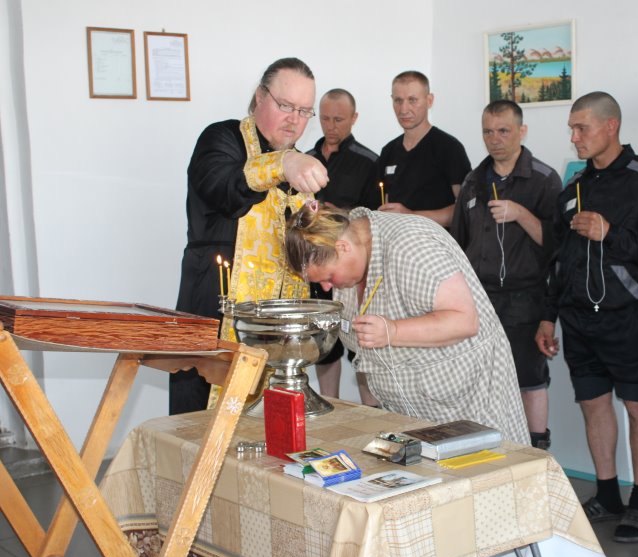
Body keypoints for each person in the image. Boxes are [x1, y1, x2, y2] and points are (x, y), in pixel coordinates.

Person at [285, 204, 530, 557]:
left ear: (343, 247)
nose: (328, 287)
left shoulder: (411, 244)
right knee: (441, 502)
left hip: (467, 395)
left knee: (473, 500)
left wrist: (392, 330)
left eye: (327, 278)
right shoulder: (353, 259)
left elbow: (464, 320)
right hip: (414, 405)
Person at [535, 92, 638, 542]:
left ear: (610, 126)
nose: (574, 137)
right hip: (578, 319)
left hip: (626, 317)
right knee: (594, 405)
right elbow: (558, 260)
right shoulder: (573, 187)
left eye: (582, 128)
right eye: (572, 129)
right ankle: (608, 494)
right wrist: (548, 316)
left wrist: (610, 233)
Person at [171, 57, 328, 415]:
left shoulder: (298, 163)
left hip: (277, 328)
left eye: (305, 111)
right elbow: (222, 187)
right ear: (260, 96)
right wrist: (280, 164)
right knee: (199, 426)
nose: (294, 120)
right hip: (217, 310)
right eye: (285, 105)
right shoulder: (222, 137)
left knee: (273, 429)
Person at [451, 99, 561, 449]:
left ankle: (537, 453)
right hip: (479, 299)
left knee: (529, 381)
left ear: (521, 131)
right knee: (479, 382)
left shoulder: (543, 179)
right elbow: (459, 243)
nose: (494, 139)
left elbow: (558, 246)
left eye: (503, 131)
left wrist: (521, 214)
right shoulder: (473, 181)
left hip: (525, 298)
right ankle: (488, 455)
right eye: (487, 132)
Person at [306, 88, 380, 402]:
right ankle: (329, 403)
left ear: (354, 118)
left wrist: (339, 216)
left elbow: (375, 220)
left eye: (338, 119)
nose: (331, 126)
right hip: (318, 268)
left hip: (352, 270)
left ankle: (372, 410)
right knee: (323, 345)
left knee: (362, 346)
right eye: (324, 118)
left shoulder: (369, 162)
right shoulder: (305, 160)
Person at [377, 70, 471, 227]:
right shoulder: (388, 151)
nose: (404, 109)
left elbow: (466, 208)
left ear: (429, 100)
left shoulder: (449, 148)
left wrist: (411, 216)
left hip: (435, 240)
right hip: (396, 239)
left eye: (412, 100)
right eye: (398, 101)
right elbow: (384, 204)